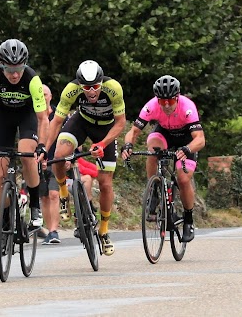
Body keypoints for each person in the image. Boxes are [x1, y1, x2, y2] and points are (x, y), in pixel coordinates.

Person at [45, 60, 126, 256]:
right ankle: (64, 191)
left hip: (106, 130)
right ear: (80, 85)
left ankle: (104, 230)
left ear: (101, 82)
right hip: (82, 122)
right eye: (86, 88)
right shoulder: (71, 90)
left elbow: (121, 122)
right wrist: (44, 149)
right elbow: (56, 121)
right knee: (58, 156)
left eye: (95, 87)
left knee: (105, 183)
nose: (91, 92)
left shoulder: (113, 88)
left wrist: (103, 144)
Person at [0, 39, 48, 230]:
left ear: (25, 65)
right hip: (3, 117)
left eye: (18, 69)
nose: (14, 74)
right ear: (1, 65)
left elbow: (43, 119)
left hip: (26, 116)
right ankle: (5, 216)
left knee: (26, 154)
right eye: (9, 69)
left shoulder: (32, 79)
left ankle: (35, 205)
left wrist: (42, 146)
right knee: (0, 170)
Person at [122, 75, 205, 242]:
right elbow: (133, 131)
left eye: (170, 101)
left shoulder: (187, 107)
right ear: (157, 99)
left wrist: (187, 149)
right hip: (164, 134)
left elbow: (200, 139)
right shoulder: (151, 106)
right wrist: (128, 146)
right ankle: (154, 190)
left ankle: (188, 220)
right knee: (153, 150)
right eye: (162, 101)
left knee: (182, 179)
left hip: (186, 140)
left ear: (177, 97)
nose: (166, 105)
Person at [40, 84, 62, 244]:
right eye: (40, 93)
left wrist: (70, 158)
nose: (43, 96)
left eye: (45, 93)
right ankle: (48, 230)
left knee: (54, 195)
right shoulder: (34, 116)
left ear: (51, 96)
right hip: (39, 161)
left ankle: (54, 231)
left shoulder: (59, 116)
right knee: (44, 197)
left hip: (56, 160)